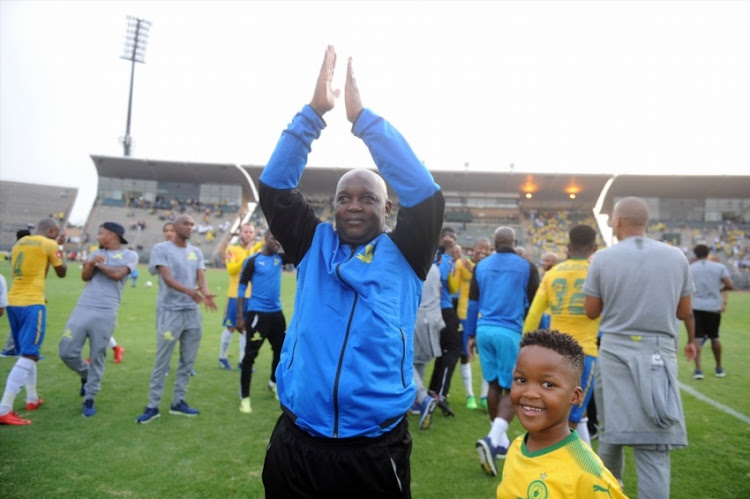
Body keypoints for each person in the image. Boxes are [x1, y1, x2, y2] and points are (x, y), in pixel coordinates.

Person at [259, 46, 443, 497]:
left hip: (373, 449)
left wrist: (364, 122)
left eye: (367, 197)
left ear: (388, 206)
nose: (354, 205)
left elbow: (426, 193)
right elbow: (275, 186)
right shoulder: (312, 243)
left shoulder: (406, 251)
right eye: (345, 197)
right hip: (297, 442)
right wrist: (313, 115)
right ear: (333, 206)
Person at [583, 196, 695, 499]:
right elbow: (684, 312)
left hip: (616, 351)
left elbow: (591, 310)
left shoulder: (603, 259)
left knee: (610, 435)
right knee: (654, 445)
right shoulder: (676, 257)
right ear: (645, 222)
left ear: (618, 221)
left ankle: (608, 493)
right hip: (659, 354)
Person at [497, 329, 627, 499]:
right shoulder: (517, 446)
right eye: (521, 380)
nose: (530, 393)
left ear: (575, 396)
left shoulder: (587, 472)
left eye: (548, 384)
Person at [466, 226, 539, 476]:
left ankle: (499, 443)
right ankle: (491, 438)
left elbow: (473, 302)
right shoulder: (527, 266)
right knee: (515, 388)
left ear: (495, 243)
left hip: (484, 330)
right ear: (514, 241)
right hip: (510, 331)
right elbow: (535, 303)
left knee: (494, 384)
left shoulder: (481, 266)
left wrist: (470, 334)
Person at [135, 214, 217, 424]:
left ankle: (178, 402)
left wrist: (205, 293)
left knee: (187, 361)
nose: (190, 227)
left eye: (192, 224)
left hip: (192, 314)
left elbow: (201, 277)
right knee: (162, 361)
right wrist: (191, 292)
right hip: (170, 312)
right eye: (186, 224)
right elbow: (168, 278)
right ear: (174, 226)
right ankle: (153, 405)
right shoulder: (161, 249)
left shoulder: (196, 252)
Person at [523, 225, 600, 445]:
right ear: (593, 248)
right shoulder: (596, 273)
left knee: (560, 411)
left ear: (568, 247)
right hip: (585, 353)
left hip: (554, 355)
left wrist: (526, 346)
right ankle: (554, 468)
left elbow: (534, 314)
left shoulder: (552, 273)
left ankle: (583, 462)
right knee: (570, 418)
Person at [58, 222, 138, 417]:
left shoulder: (129, 255)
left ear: (113, 235)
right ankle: (85, 374)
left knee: (98, 354)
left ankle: (90, 397)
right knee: (66, 351)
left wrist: (99, 264)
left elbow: (118, 274)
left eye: (101, 233)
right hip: (83, 306)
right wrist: (90, 263)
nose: (98, 236)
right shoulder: (96, 252)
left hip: (107, 310)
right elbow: (85, 277)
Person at [0, 218, 67, 425]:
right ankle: (4, 409)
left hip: (14, 301)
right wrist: (59, 247)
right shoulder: (49, 243)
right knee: (29, 354)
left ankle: (32, 398)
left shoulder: (20, 243)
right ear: (53, 230)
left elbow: (42, 270)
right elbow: (62, 272)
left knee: (29, 352)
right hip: (32, 303)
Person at [235, 232, 289, 413]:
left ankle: (273, 383)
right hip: (257, 315)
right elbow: (241, 287)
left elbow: (300, 251)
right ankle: (244, 397)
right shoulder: (253, 261)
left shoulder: (280, 259)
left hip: (277, 315)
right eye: (274, 238)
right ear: (265, 238)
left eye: (280, 239)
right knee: (250, 357)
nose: (278, 242)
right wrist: (240, 317)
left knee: (281, 352)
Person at [454, 237, 491, 410]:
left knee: (486, 356)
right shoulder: (462, 264)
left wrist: (475, 269)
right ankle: (470, 395)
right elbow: (454, 287)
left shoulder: (490, 267)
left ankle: (484, 396)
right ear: (473, 249)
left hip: (485, 316)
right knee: (465, 355)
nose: (482, 252)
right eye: (480, 248)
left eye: (486, 249)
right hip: (464, 314)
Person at [219, 223, 261, 371]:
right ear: (240, 234)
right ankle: (222, 357)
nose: (249, 234)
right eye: (246, 232)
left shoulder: (256, 249)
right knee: (231, 327)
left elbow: (268, 240)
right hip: (235, 295)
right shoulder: (232, 249)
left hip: (251, 296)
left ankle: (243, 362)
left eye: (251, 232)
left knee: (246, 329)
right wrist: (248, 255)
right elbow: (231, 270)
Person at [428, 227, 460, 416]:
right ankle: (440, 394)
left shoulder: (433, 253)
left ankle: (433, 391)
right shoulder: (440, 257)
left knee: (443, 352)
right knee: (453, 348)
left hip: (433, 308)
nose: (452, 243)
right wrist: (448, 253)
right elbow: (438, 276)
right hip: (441, 308)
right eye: (449, 239)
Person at [690, 244, 733, 379]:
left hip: (696, 306)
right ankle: (719, 368)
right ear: (708, 253)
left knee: (697, 339)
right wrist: (718, 290)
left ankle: (698, 370)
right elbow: (729, 285)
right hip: (713, 307)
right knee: (715, 337)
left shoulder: (691, 268)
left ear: (695, 254)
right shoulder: (719, 267)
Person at [411, 262, 443, 430]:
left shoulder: (412, 263)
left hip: (417, 316)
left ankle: (423, 398)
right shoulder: (434, 267)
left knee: (404, 361)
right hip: (433, 316)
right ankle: (418, 403)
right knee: (418, 361)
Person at [1, 229, 32, 357]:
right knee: (22, 321)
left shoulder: (15, 249)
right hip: (23, 290)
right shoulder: (22, 250)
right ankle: (11, 348)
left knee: (21, 321)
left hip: (18, 288)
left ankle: (14, 348)